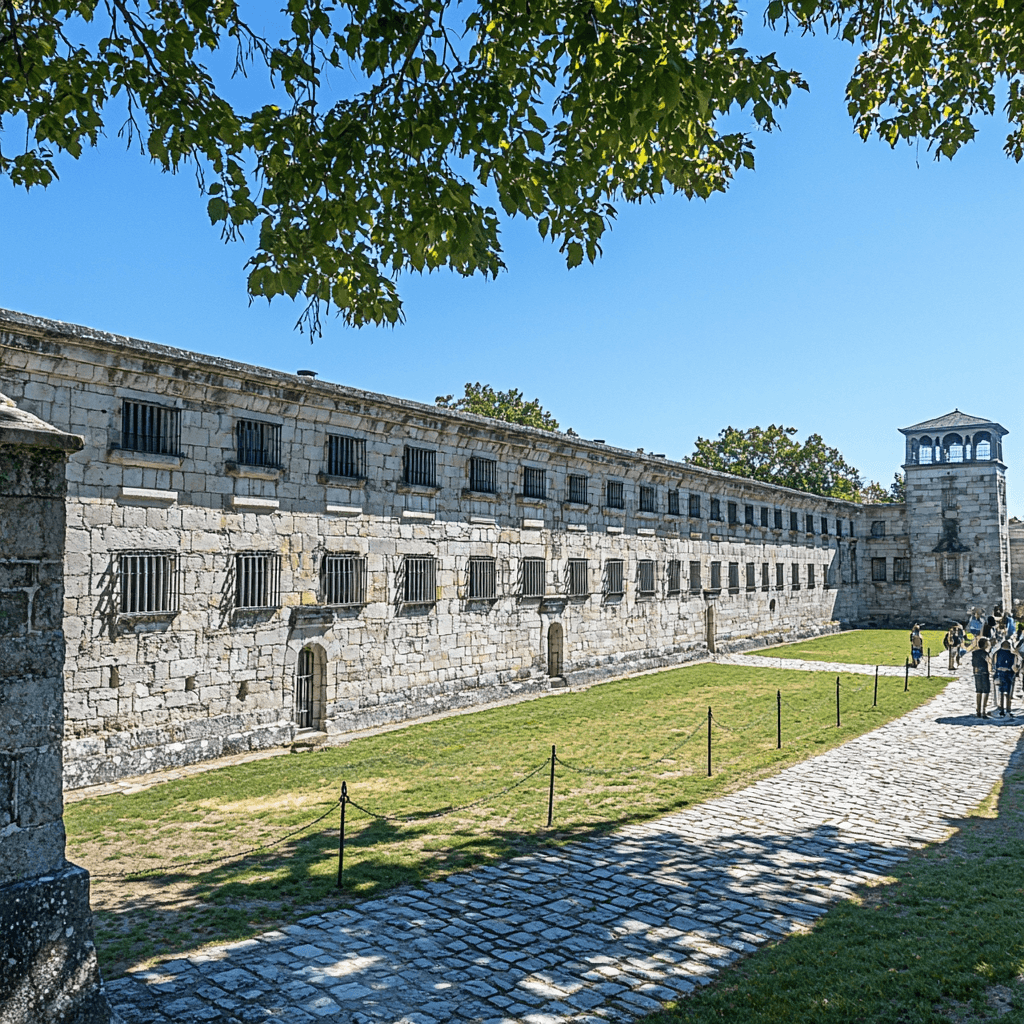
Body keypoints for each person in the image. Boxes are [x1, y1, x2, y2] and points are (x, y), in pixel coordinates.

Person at [994, 640, 1018, 717]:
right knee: (1008, 693)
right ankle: (1008, 709)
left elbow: (994, 664)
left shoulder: (997, 653)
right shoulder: (1012, 655)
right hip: (1008, 674)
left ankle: (1001, 709)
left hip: (1000, 673)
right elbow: (1014, 667)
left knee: (1000, 692)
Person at [973, 638, 992, 718]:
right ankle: (983, 710)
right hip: (984, 673)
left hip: (977, 673)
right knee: (986, 691)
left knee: (979, 691)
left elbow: (973, 663)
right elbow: (989, 664)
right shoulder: (985, 654)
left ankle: (978, 710)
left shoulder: (974, 653)